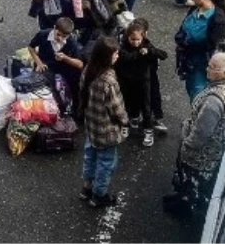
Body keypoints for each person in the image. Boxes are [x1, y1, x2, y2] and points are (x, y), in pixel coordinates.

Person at [162, 51, 225, 220]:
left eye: (211, 67)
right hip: (217, 149)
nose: (206, 69)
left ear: (221, 73)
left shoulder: (214, 102)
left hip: (201, 154)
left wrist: (186, 144)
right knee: (195, 182)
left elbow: (200, 134)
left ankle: (185, 209)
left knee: (191, 181)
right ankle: (182, 199)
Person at [78, 37, 127, 209]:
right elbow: (117, 108)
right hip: (106, 130)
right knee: (106, 164)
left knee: (89, 157)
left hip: (91, 125)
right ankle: (99, 195)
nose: (117, 56)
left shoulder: (88, 71)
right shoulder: (109, 81)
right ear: (106, 56)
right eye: (115, 54)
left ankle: (86, 188)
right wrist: (125, 122)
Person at [115, 20, 168, 147]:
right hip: (127, 81)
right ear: (127, 37)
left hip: (143, 81)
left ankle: (148, 131)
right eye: (133, 40)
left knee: (146, 107)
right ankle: (126, 125)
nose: (135, 42)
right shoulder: (123, 48)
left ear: (143, 37)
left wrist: (150, 52)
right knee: (127, 104)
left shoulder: (147, 46)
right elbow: (126, 57)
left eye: (138, 40)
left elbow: (163, 55)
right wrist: (140, 53)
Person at [174, 0, 225, 99]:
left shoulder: (217, 19)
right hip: (189, 61)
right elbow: (183, 27)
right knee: (191, 88)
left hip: (203, 64)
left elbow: (215, 46)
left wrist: (189, 43)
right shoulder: (194, 9)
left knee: (198, 93)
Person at [27, 17, 85, 105]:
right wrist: (39, 62)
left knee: (76, 78)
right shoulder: (43, 34)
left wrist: (66, 58)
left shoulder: (71, 42)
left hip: (63, 66)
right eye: (58, 34)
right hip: (46, 64)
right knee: (49, 85)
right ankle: (57, 107)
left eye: (64, 36)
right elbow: (31, 47)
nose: (60, 39)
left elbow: (80, 64)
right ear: (54, 28)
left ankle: (77, 107)